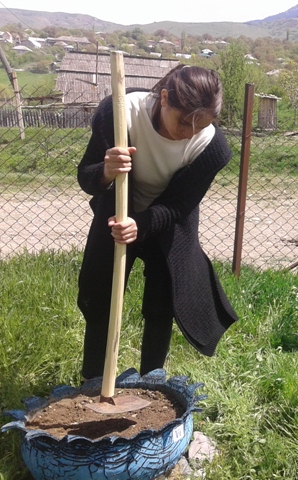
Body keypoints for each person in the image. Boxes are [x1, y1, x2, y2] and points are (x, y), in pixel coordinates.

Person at [77, 64, 238, 380]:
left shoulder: (212, 147)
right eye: (184, 122)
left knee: (161, 303)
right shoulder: (119, 113)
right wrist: (106, 171)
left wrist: (141, 224)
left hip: (167, 225)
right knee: (101, 299)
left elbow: (179, 205)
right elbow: (86, 177)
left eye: (200, 126)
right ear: (164, 98)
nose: (188, 134)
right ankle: (93, 380)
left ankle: (152, 381)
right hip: (115, 218)